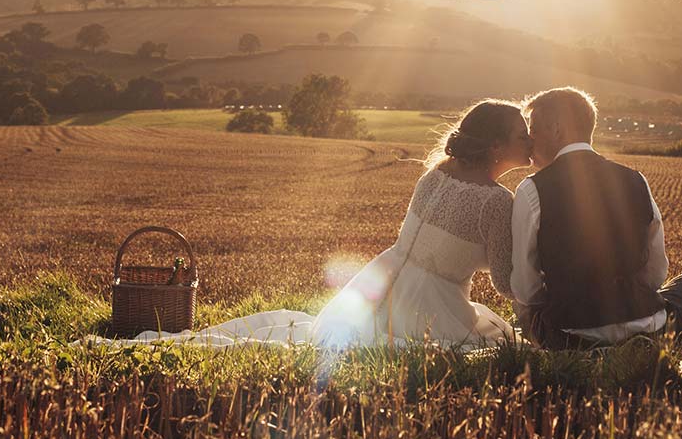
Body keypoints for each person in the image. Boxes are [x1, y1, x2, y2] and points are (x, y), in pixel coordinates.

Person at [99, 99, 533, 350]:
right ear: (496, 147)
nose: (529, 140)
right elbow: (505, 284)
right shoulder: (496, 203)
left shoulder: (435, 173)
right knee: (497, 343)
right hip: (431, 308)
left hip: (381, 284)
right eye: (522, 134)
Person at [509, 87, 682, 350]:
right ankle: (649, 338)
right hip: (646, 319)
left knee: (521, 308)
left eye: (533, 129)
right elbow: (656, 271)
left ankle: (598, 349)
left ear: (557, 128)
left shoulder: (531, 189)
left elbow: (526, 288)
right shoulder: (636, 180)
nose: (530, 139)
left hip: (570, 332)